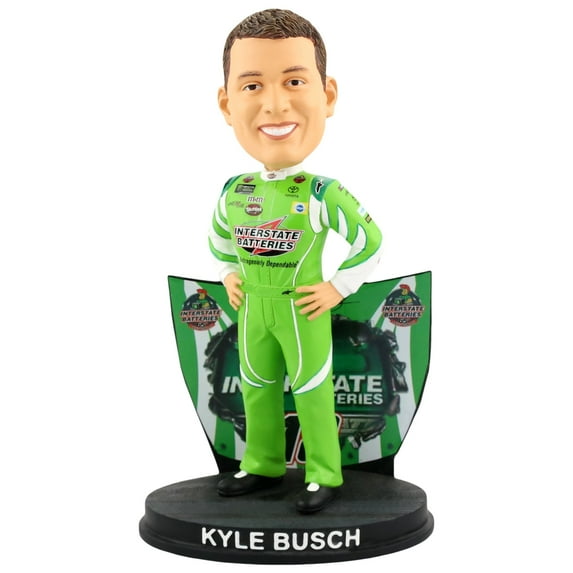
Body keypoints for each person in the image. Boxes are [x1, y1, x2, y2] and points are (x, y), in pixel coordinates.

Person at [208, 8, 382, 513]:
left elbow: (369, 241)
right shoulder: (235, 189)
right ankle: (261, 463)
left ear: (327, 95)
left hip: (300, 307)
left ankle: (323, 472)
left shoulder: (322, 192)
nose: (275, 103)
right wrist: (229, 274)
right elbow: (219, 240)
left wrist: (338, 287)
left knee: (311, 389)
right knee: (256, 388)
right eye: (252, 85)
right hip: (252, 309)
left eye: (294, 80)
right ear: (227, 103)